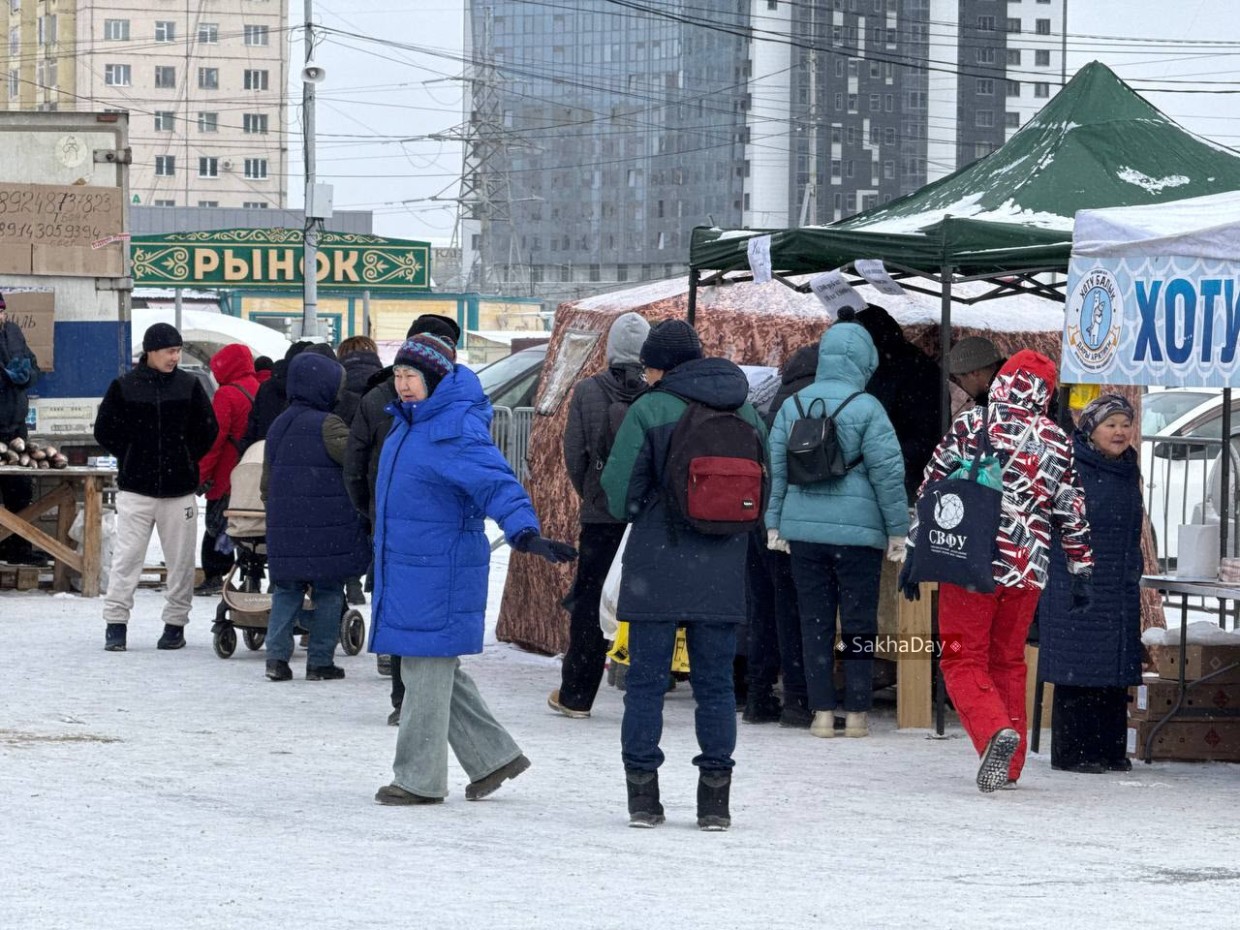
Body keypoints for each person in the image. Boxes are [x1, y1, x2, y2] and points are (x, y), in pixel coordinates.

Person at [371, 334, 576, 806]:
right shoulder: (408, 424)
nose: (402, 385)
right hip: (408, 568)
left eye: (412, 377)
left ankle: (418, 779)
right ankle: (493, 757)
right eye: (398, 376)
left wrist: (524, 531)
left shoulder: (454, 429)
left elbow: (497, 483)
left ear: (436, 379)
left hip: (439, 571)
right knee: (433, 665)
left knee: (424, 669)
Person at [601, 319, 767, 831]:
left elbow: (617, 492)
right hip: (722, 566)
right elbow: (765, 487)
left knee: (646, 685)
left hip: (657, 563)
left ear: (660, 365)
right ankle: (715, 803)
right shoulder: (745, 409)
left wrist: (651, 506)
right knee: (715, 687)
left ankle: (643, 800)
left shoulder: (651, 409)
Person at [901, 350, 1093, 792]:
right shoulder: (1057, 439)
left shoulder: (973, 424)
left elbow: (934, 488)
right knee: (1007, 661)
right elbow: (1072, 510)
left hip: (971, 559)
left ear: (1003, 381)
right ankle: (1010, 764)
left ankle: (992, 733)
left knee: (961, 657)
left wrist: (914, 552)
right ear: (1045, 392)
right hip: (1029, 569)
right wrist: (1080, 569)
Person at [765, 323, 909, 740]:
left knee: (815, 623)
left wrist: (775, 523)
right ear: (865, 361)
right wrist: (897, 531)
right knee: (860, 623)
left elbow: (777, 473)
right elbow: (888, 474)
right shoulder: (869, 408)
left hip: (804, 534)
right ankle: (859, 713)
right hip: (859, 537)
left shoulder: (792, 406)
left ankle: (822, 713)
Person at [345, 313, 462, 724]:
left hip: (391, 521)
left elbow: (354, 466)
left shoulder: (377, 398)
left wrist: (372, 511)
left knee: (396, 604)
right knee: (434, 612)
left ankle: (403, 697)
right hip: (433, 526)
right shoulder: (456, 401)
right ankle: (426, 696)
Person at [548, 311, 650, 719]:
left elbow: (574, 453)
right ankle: (644, 689)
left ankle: (576, 694)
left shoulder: (588, 391)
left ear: (609, 350)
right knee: (645, 603)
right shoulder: (654, 394)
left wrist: (593, 493)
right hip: (644, 517)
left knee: (590, 603)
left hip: (600, 515)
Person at [94, 323, 218, 652]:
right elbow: (104, 429)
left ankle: (175, 625)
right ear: (151, 351)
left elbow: (208, 428)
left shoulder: (190, 386)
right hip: (136, 489)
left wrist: (185, 456)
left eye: (178, 350)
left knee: (180, 563)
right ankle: (115, 624)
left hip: (180, 491)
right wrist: (132, 453)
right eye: (169, 350)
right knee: (127, 559)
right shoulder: (124, 386)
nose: (175, 357)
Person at [1038, 395, 1142, 774]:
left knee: (1115, 668)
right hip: (1075, 581)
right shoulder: (1070, 466)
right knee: (1079, 668)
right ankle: (1073, 752)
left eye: (1125, 424)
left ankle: (1109, 748)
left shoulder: (1128, 469)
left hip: (1118, 581)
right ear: (1091, 429)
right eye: (1110, 424)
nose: (1119, 432)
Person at [261, 352, 370, 682]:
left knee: (286, 591)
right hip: (327, 526)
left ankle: (276, 659)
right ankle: (320, 661)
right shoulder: (329, 424)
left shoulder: (278, 424)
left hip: (287, 526)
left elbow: (267, 480)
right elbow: (354, 462)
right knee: (328, 591)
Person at [742, 342, 817, 727]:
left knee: (761, 608)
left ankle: (757, 695)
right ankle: (797, 699)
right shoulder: (813, 403)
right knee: (793, 611)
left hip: (755, 515)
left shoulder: (767, 394)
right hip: (791, 519)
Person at [855, 304, 943, 503]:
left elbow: (925, 438)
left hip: (901, 478)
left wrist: (874, 456)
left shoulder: (907, 370)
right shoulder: (884, 365)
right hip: (889, 473)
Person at [195, 343, 258, 597]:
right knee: (252, 526)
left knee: (216, 526)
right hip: (253, 469)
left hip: (227, 473)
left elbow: (215, 440)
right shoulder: (259, 388)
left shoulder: (226, 395)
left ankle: (215, 575)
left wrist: (201, 475)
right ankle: (249, 573)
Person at [334, 335, 383, 606]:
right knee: (372, 522)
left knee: (345, 523)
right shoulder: (387, 382)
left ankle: (351, 582)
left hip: (342, 463)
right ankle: (372, 576)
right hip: (377, 464)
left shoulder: (336, 384)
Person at [0, 291, 44, 565]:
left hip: (15, 429)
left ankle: (19, 550)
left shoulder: (14, 332)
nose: (0, 317)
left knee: (21, 491)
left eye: (1, 312)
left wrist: (27, 374)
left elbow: (34, 365)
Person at [948, 336, 1004, 410]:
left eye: (959, 380)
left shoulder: (990, 408)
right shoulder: (1018, 375)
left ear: (974, 372)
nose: (962, 386)